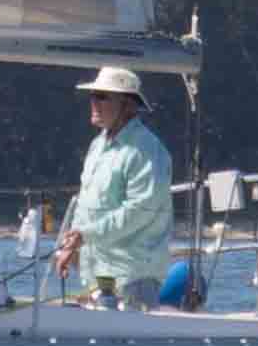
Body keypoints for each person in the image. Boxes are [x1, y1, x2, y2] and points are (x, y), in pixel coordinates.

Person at [51, 64, 174, 308]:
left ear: (128, 105)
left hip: (132, 278)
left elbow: (139, 211)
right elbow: (86, 204)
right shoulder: (97, 146)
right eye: (92, 96)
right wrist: (71, 246)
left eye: (102, 97)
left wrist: (84, 236)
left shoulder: (148, 150)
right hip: (96, 277)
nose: (93, 102)